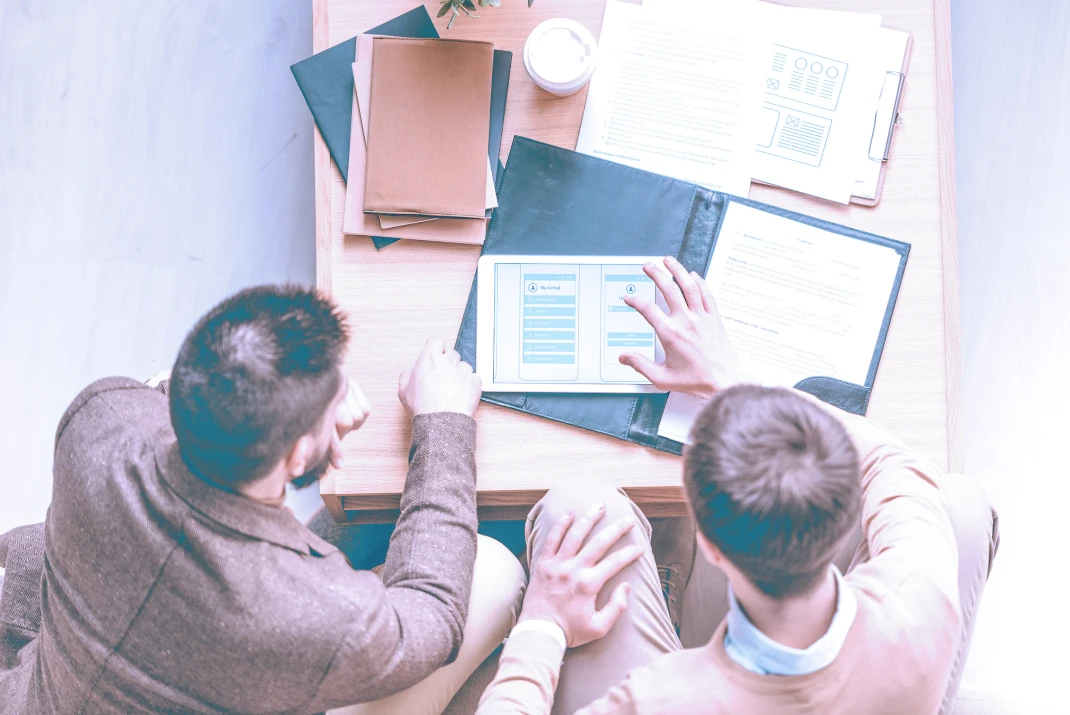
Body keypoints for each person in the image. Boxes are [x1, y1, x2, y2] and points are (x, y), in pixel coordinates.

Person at [475, 256, 999, 715]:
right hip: (887, 682)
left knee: (580, 510)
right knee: (960, 508)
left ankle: (665, 597)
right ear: (848, 513)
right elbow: (892, 463)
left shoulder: (656, 700)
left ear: (707, 543)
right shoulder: (920, 594)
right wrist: (737, 378)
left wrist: (541, 627)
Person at [0, 285, 526, 714]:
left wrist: (305, 416)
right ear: (297, 457)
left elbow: (157, 396)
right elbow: (431, 618)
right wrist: (443, 422)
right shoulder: (301, 613)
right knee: (497, 570)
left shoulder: (98, 416)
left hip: (49, 690)